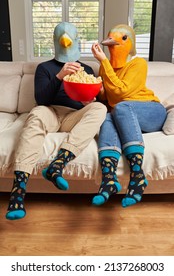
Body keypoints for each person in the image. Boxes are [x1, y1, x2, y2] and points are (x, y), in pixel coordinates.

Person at [6, 22, 107, 220]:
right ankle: (18, 190)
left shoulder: (86, 68)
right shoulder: (45, 68)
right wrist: (60, 76)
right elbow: (41, 99)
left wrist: (91, 99)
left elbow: (92, 100)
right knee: (35, 114)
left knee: (100, 108)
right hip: (50, 111)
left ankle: (58, 164)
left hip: (74, 116)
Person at [91, 24, 167, 208]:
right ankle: (109, 179)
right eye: (111, 38)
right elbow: (109, 98)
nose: (113, 42)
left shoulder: (138, 63)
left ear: (130, 43)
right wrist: (97, 92)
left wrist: (103, 62)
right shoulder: (105, 68)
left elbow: (120, 93)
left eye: (121, 38)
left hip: (151, 111)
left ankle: (137, 175)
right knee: (108, 115)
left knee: (121, 107)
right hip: (122, 113)